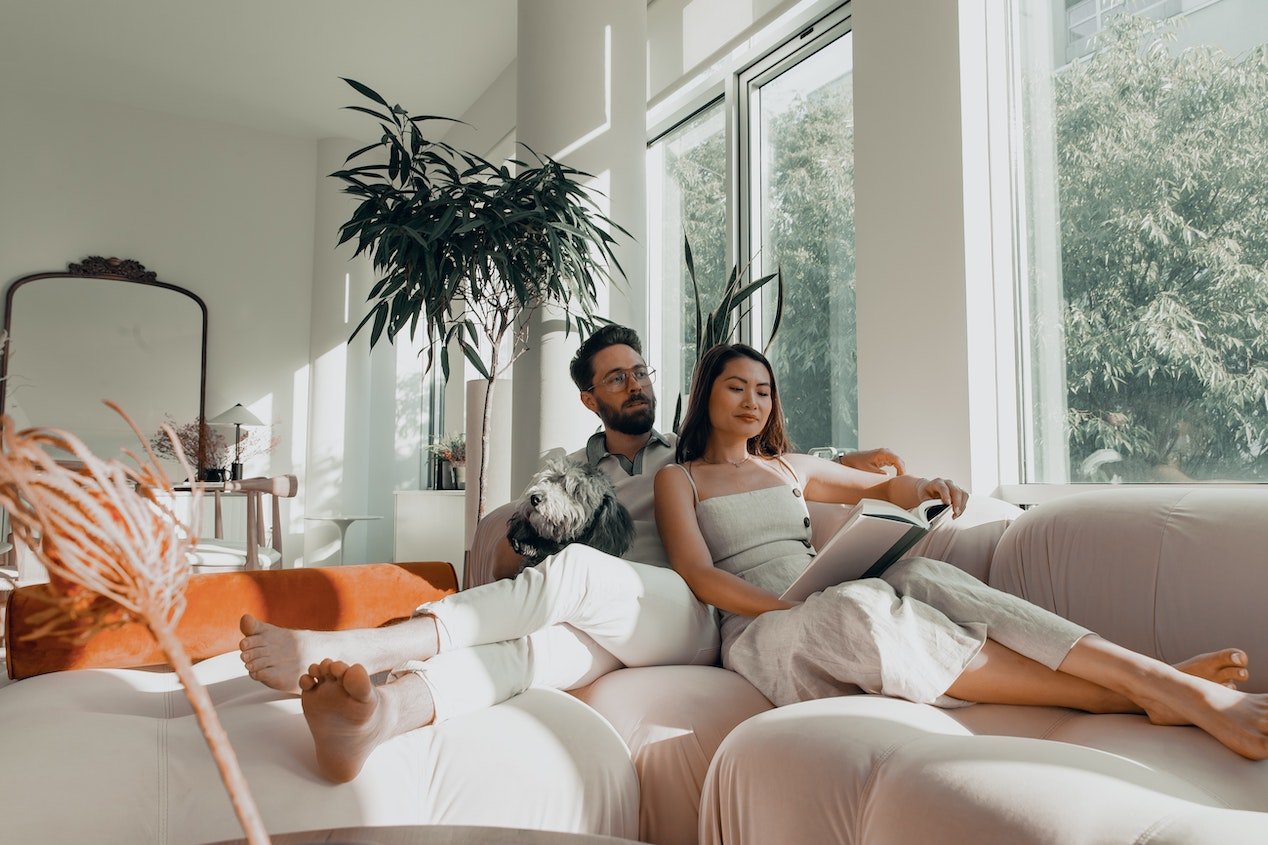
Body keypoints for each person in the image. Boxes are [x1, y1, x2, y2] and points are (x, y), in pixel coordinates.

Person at [239, 324, 904, 782]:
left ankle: (368, 646)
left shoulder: (690, 453)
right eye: (617, 379)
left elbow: (769, 459)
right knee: (534, 652)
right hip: (596, 618)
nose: (636, 385)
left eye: (640, 371)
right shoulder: (565, 469)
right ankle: (379, 718)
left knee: (582, 573)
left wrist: (859, 460)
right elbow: (505, 566)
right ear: (591, 398)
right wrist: (531, 528)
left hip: (683, 610)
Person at [653, 342, 1267, 760]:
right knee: (851, 609)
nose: (752, 402)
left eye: (763, 390)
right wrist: (784, 609)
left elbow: (884, 486)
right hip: (762, 634)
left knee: (919, 568)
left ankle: (1151, 680)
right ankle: (1155, 692)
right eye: (736, 388)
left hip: (826, 596)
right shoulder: (679, 480)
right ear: (707, 394)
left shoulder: (786, 467)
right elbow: (699, 574)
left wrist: (925, 487)